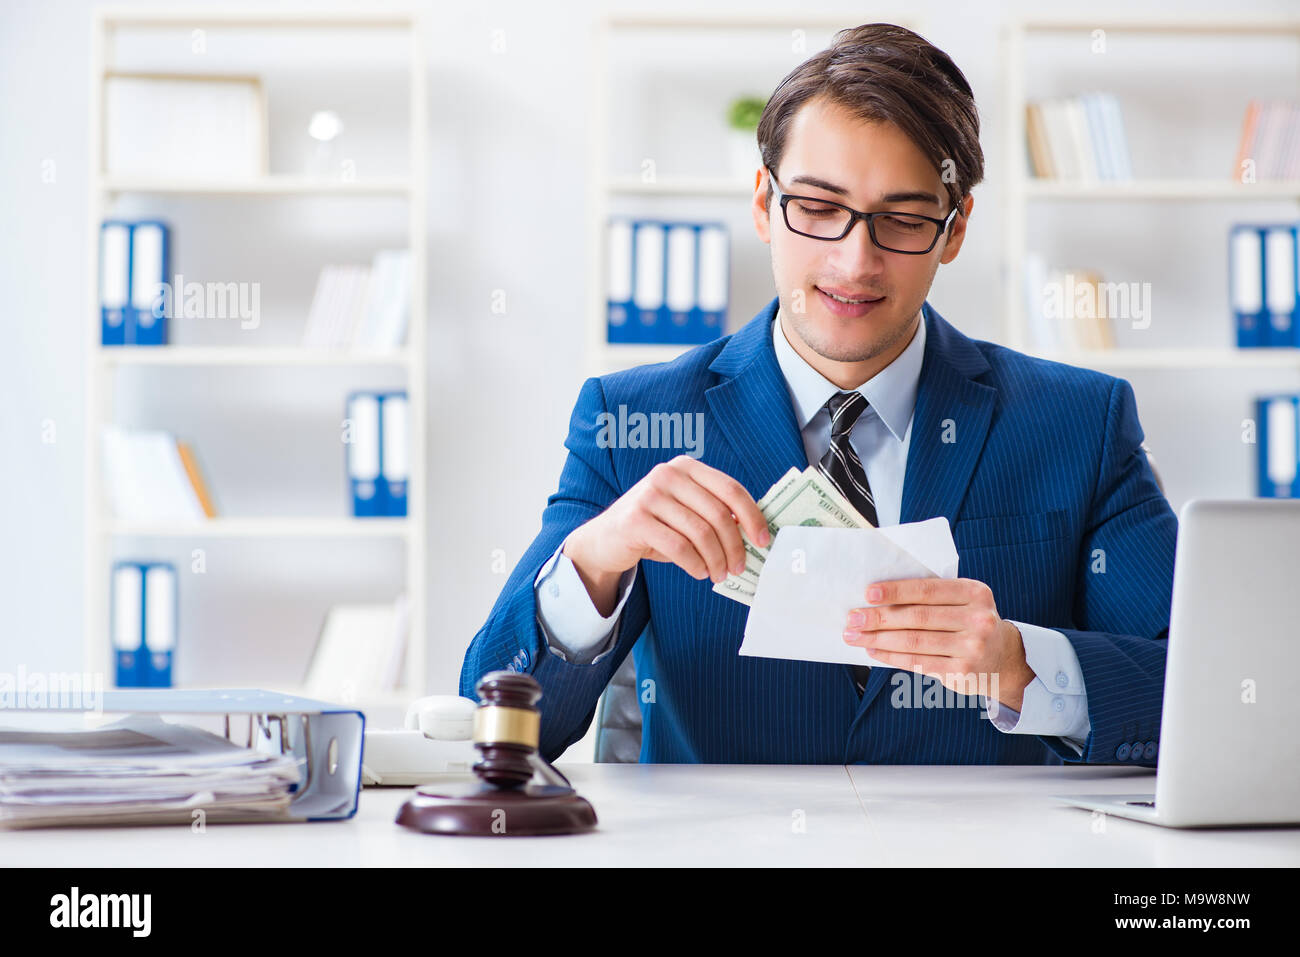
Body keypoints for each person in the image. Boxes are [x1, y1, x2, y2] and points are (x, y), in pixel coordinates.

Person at [461, 23, 1177, 765]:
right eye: (817, 207)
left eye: (901, 219)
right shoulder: (633, 419)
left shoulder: (1078, 424)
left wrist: (1021, 663)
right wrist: (595, 558)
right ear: (765, 204)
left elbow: (1204, 690)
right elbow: (499, 725)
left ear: (954, 228)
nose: (853, 260)